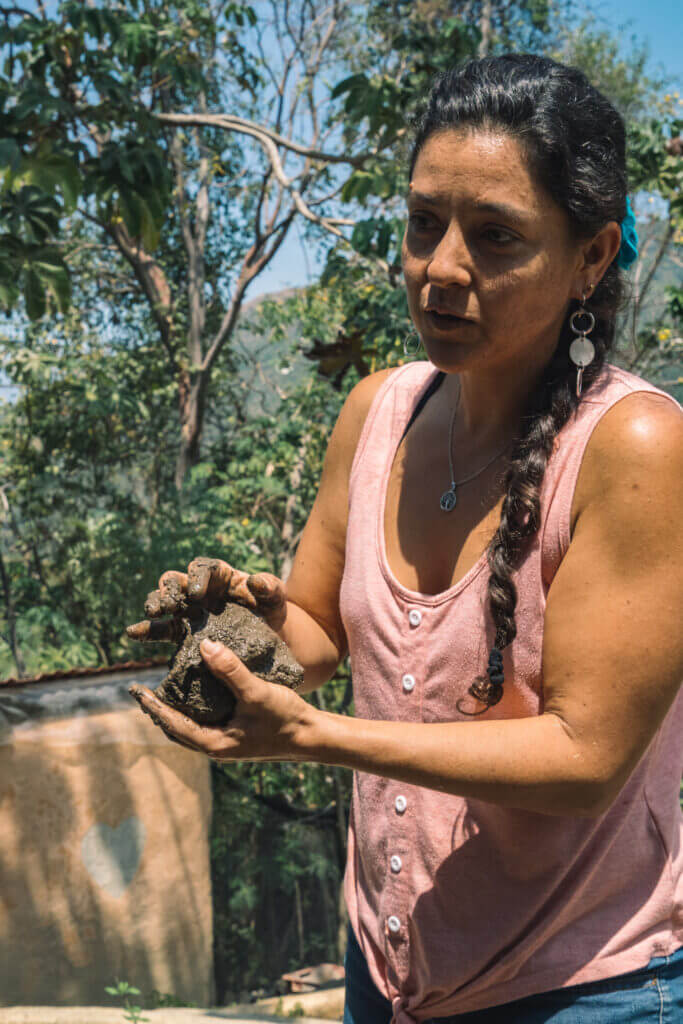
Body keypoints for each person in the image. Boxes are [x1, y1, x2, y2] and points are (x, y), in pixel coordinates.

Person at [126, 54, 683, 1024]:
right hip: (386, 970)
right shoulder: (375, 413)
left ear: (589, 257)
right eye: (423, 223)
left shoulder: (633, 446)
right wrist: (235, 631)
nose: (441, 270)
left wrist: (311, 736)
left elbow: (587, 755)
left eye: (494, 237)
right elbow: (310, 632)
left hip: (581, 983)